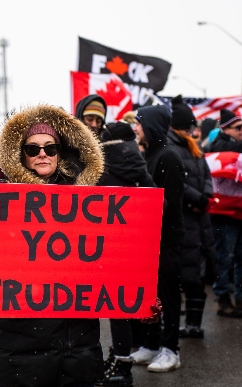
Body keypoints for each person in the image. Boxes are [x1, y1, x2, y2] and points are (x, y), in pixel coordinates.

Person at [0, 104, 161, 387]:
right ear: (21, 154)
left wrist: (141, 300)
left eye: (50, 148)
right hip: (19, 348)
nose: (42, 153)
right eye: (33, 148)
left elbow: (112, 265)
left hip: (74, 348)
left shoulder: (87, 201)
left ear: (60, 153)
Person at [95, 121, 156, 386]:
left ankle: (121, 365)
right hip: (132, 247)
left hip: (104, 248)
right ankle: (121, 359)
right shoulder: (137, 164)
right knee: (121, 304)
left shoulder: (102, 167)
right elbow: (156, 200)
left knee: (108, 305)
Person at [130, 104, 185, 372]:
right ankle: (151, 345)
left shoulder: (169, 157)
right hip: (149, 242)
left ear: (150, 125)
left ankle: (170, 350)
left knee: (168, 296)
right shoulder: (149, 156)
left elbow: (170, 204)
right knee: (150, 296)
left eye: (139, 122)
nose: (135, 127)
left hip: (166, 242)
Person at [167, 96, 217, 338]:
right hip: (184, 219)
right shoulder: (171, 149)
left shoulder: (195, 149)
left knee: (197, 273)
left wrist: (205, 197)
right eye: (189, 127)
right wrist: (197, 200)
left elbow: (207, 177)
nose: (193, 131)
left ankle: (194, 324)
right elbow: (177, 183)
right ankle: (181, 324)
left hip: (199, 220)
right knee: (185, 275)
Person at [206, 109, 242, 317]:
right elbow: (240, 151)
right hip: (224, 214)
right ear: (225, 129)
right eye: (238, 127)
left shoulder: (241, 148)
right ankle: (223, 299)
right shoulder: (218, 146)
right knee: (224, 258)